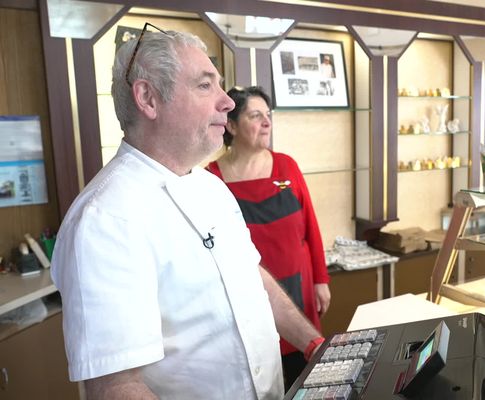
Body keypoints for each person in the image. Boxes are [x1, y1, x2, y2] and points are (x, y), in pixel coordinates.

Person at [50, 25, 324, 400]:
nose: (227, 102)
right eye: (204, 85)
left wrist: (314, 346)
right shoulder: (104, 220)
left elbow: (251, 278)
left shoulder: (210, 186)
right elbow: (117, 386)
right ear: (148, 99)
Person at [206, 86, 331, 390]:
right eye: (255, 115)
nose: (266, 122)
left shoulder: (287, 165)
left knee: (305, 372)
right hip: (250, 296)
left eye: (268, 116)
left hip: (299, 289)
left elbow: (310, 227)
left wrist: (320, 279)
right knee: (263, 372)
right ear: (231, 125)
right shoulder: (211, 179)